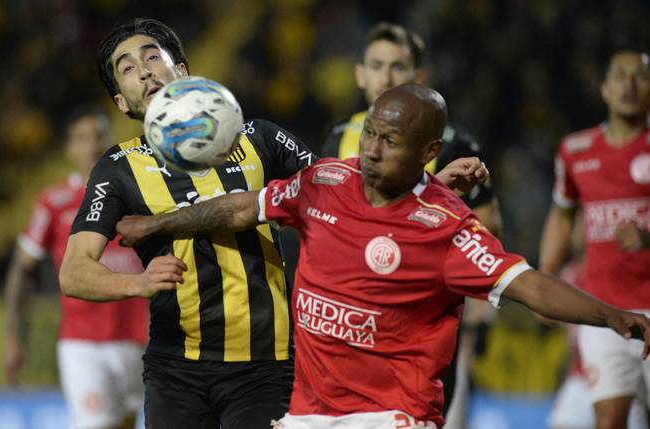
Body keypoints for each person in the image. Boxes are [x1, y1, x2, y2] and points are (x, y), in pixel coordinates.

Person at [115, 83, 650, 429]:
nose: (370, 149)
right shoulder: (324, 182)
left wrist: (611, 316)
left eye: (389, 141)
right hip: (309, 415)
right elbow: (239, 209)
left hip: (391, 417)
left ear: (429, 152)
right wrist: (156, 224)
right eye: (369, 133)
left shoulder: (445, 228)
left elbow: (528, 282)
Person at [59, 18, 488, 429]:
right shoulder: (117, 168)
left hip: (268, 366)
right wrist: (139, 284)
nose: (145, 73)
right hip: (176, 369)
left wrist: (425, 182)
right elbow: (75, 271)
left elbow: (345, 194)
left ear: (182, 71)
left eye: (152, 58)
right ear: (121, 101)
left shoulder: (260, 137)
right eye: (128, 69)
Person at [321, 22, 501, 422]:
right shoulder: (336, 139)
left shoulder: (453, 144)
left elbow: (487, 233)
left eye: (398, 67)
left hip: (419, 329)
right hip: (348, 326)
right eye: (377, 65)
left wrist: (477, 321)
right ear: (360, 73)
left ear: (418, 77)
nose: (386, 77)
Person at [4, 107, 149, 429]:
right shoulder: (54, 202)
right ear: (69, 148)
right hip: (82, 342)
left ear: (111, 139)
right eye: (81, 138)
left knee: (126, 421)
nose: (92, 145)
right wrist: (13, 334)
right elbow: (21, 267)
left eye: (98, 135)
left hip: (137, 338)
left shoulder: (139, 196)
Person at [539, 48, 650, 429]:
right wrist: (547, 278)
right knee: (608, 419)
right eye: (620, 75)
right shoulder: (574, 151)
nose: (630, 85)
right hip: (604, 313)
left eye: (640, 76)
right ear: (604, 88)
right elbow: (561, 213)